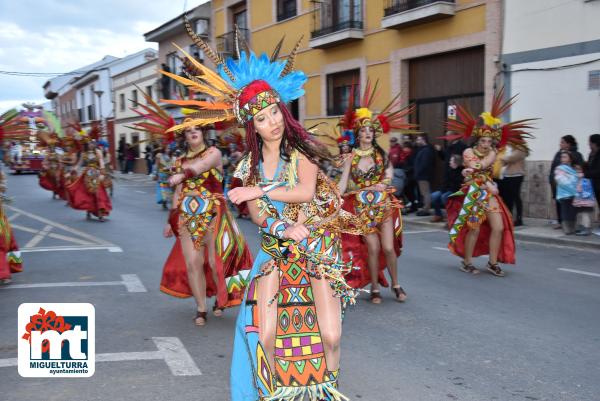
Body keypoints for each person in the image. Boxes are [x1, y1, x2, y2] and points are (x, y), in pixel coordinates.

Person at [162, 35, 365, 400]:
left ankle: (328, 392)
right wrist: (282, 225)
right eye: (261, 117)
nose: (271, 122)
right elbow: (256, 217)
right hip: (276, 254)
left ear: (283, 112)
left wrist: (261, 191)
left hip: (317, 251)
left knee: (331, 337)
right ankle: (271, 395)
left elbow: (303, 192)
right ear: (251, 125)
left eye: (274, 112)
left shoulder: (301, 153)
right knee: (265, 338)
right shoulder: (247, 165)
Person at [160, 120, 253, 326]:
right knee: (193, 264)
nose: (193, 133)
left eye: (196, 129)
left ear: (203, 132)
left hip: (214, 214)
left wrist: (181, 175)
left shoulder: (213, 153)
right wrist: (170, 219)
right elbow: (178, 192)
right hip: (186, 215)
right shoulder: (180, 160)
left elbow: (200, 167)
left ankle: (221, 298)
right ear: (184, 136)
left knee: (213, 262)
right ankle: (201, 308)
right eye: (188, 131)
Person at [337, 80, 414, 303]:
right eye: (364, 130)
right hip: (361, 207)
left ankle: (396, 284)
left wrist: (385, 182)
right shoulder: (349, 156)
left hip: (383, 204)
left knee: (388, 248)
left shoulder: (382, 154)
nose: (368, 133)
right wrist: (340, 183)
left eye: (371, 130)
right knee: (372, 247)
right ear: (358, 134)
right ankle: (374, 287)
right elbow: (342, 186)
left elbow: (389, 174)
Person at [444, 89, 535, 276]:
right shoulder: (468, 152)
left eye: (489, 140)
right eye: (484, 140)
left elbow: (483, 168)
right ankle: (467, 261)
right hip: (475, 193)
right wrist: (482, 175)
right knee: (474, 229)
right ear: (478, 140)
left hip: (488, 191)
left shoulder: (494, 152)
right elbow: (479, 166)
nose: (487, 143)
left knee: (499, 227)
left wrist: (484, 179)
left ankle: (492, 263)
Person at [65, 127, 112, 222]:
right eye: (89, 143)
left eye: (92, 143)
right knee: (88, 193)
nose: (91, 144)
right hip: (87, 175)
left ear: (95, 144)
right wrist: (74, 169)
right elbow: (79, 163)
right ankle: (89, 210)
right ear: (87, 144)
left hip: (96, 174)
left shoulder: (98, 152)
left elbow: (101, 161)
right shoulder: (84, 153)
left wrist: (102, 172)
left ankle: (100, 214)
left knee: (99, 193)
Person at [549, 135, 584, 229]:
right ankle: (561, 222)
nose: (560, 144)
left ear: (568, 144)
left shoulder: (576, 154)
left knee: (570, 206)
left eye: (562, 142)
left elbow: (579, 169)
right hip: (557, 184)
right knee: (559, 203)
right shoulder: (558, 153)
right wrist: (551, 179)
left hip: (570, 186)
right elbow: (553, 167)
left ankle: (571, 225)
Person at [495, 144, 528, 226]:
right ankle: (508, 217)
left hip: (516, 176)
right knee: (508, 198)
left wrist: (501, 157)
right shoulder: (509, 149)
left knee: (516, 197)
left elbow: (509, 159)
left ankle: (519, 219)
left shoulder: (521, 148)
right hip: (506, 176)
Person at [430, 154, 464, 222]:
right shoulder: (449, 169)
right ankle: (438, 215)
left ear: (456, 162)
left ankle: (451, 216)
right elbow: (444, 182)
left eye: (451, 160)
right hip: (446, 189)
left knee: (444, 197)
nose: (449, 162)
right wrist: (443, 190)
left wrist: (446, 191)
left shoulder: (461, 171)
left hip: (456, 190)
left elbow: (458, 185)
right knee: (434, 196)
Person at [554, 151, 579, 235]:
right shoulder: (559, 169)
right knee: (565, 212)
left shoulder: (574, 169)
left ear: (570, 159)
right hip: (564, 195)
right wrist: (573, 189)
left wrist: (574, 190)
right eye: (562, 157)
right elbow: (561, 181)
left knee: (572, 212)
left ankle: (573, 227)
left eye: (565, 157)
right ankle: (567, 228)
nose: (562, 159)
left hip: (573, 195)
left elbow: (576, 180)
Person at [414, 134, 434, 216]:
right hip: (421, 175)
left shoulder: (426, 150)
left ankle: (426, 209)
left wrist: (418, 172)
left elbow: (424, 164)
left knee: (425, 192)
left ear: (423, 140)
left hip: (423, 175)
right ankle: (425, 208)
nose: (417, 141)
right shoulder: (423, 150)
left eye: (418, 139)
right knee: (424, 192)